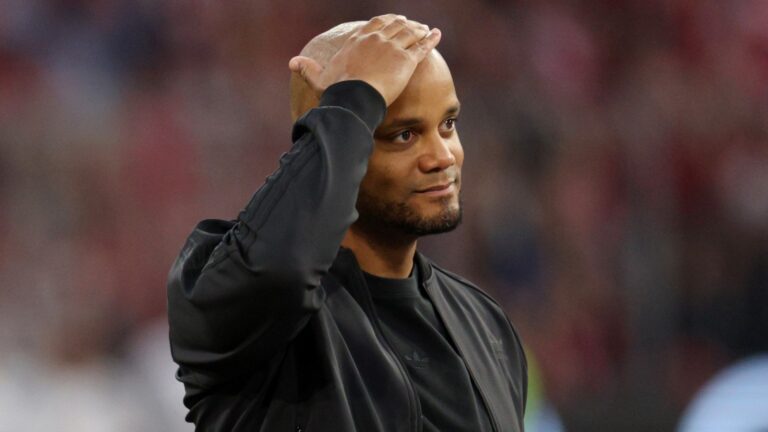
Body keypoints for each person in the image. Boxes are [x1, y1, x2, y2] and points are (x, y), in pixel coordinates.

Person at [167, 14, 527, 431]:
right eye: (404, 135)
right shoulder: (240, 304)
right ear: (335, 139)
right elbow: (279, 269)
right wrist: (356, 97)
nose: (442, 157)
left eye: (448, 125)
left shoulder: (484, 323)